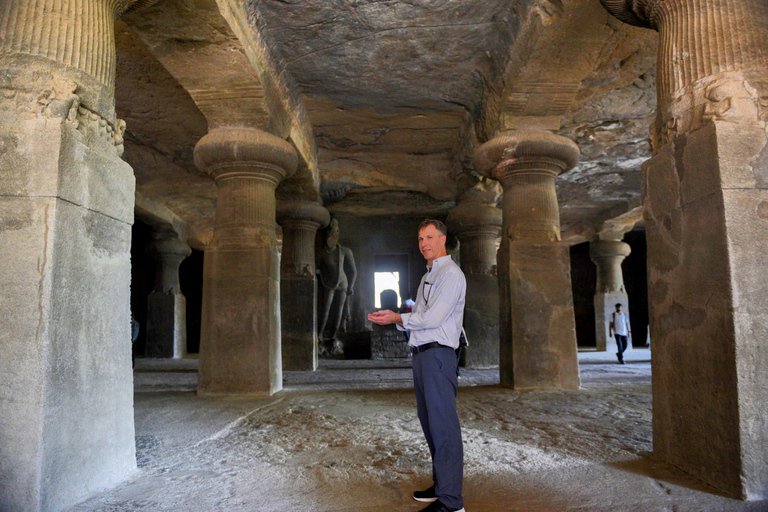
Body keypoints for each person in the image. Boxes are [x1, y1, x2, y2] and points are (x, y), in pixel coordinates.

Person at [368, 219, 466, 512]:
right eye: (421, 238)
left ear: (443, 239)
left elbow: (433, 319)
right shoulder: (429, 276)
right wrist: (397, 318)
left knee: (444, 426)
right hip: (422, 355)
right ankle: (443, 486)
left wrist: (398, 319)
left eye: (430, 237)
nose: (424, 243)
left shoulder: (450, 274)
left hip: (438, 356)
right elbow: (420, 317)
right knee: (432, 425)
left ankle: (452, 503)